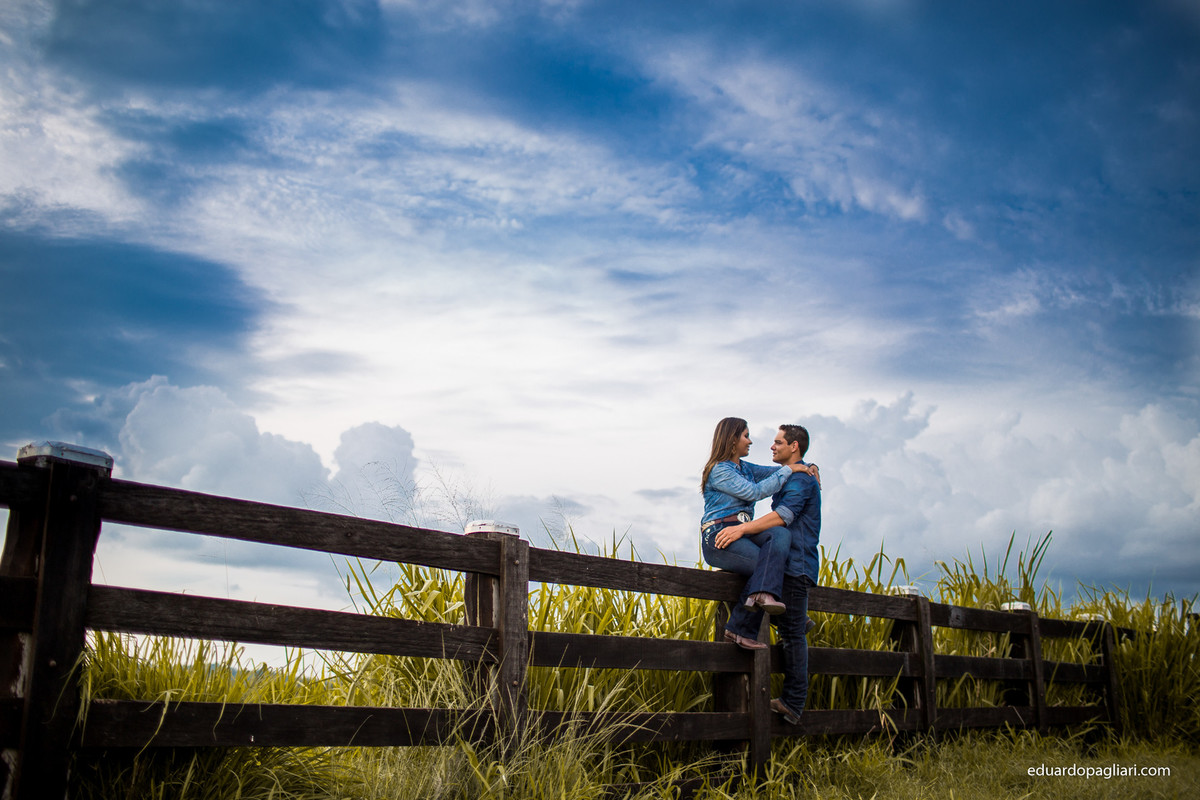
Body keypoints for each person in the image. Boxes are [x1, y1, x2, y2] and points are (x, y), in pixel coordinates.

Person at [717, 423, 821, 724]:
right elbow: (749, 470)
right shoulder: (796, 474)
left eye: (778, 443)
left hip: (796, 565)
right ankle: (798, 619)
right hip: (791, 564)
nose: (772, 447)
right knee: (791, 627)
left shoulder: (800, 482)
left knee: (792, 636)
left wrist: (741, 529)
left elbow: (782, 517)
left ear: (794, 447)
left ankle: (793, 702)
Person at [700, 417, 817, 649]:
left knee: (781, 535)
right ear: (732, 440)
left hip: (741, 533)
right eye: (746, 436)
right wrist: (791, 469)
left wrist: (809, 467)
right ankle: (768, 622)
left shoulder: (745, 468)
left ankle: (761, 617)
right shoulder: (720, 471)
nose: (750, 441)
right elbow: (754, 492)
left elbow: (780, 471)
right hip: (719, 535)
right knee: (767, 565)